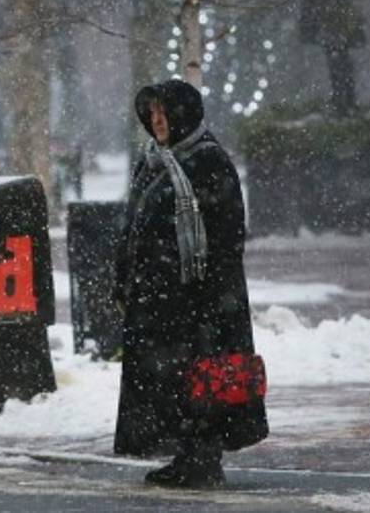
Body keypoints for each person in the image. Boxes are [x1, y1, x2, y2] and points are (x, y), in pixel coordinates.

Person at [113, 79, 268, 489]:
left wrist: (202, 290)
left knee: (202, 376)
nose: (157, 121)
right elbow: (135, 223)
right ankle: (186, 454)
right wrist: (123, 277)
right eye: (152, 113)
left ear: (184, 114)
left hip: (201, 298)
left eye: (164, 112)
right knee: (169, 381)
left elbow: (228, 234)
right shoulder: (154, 160)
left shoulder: (208, 162)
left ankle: (203, 458)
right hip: (158, 297)